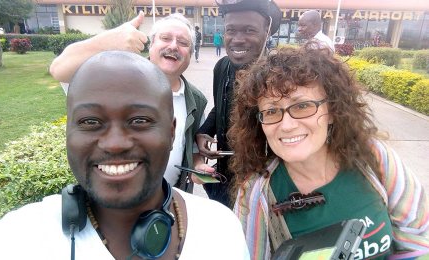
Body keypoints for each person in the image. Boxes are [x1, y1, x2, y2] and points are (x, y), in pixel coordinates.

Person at [0, 51, 251, 260]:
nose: (115, 144)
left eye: (140, 120)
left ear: (171, 133)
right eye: (89, 122)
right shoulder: (12, 242)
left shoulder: (222, 230)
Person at [227, 45, 429, 259]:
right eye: (271, 111)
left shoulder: (373, 157)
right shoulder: (257, 192)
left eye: (302, 106)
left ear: (332, 110)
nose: (286, 125)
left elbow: (417, 240)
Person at [50, 12, 207, 193]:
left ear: (190, 53)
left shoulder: (196, 99)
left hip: (168, 206)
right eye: (165, 38)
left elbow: (193, 148)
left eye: (183, 42)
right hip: (109, 203)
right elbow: (58, 69)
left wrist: (198, 166)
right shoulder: (114, 79)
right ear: (151, 44)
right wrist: (106, 43)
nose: (173, 46)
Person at [194, 0, 281, 208]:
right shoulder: (222, 67)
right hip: (223, 176)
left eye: (249, 30)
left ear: (266, 31)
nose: (238, 39)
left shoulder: (280, 77)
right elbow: (220, 105)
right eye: (230, 30)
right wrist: (203, 132)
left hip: (263, 181)